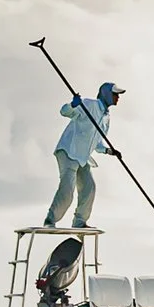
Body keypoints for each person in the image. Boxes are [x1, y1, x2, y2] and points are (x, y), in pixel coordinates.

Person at [44, 81, 123, 228]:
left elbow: (97, 143)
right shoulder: (89, 104)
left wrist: (109, 151)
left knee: (89, 187)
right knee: (67, 190)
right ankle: (50, 221)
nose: (117, 97)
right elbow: (65, 112)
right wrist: (73, 105)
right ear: (106, 94)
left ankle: (79, 222)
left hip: (82, 158)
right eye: (115, 94)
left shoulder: (106, 118)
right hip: (68, 151)